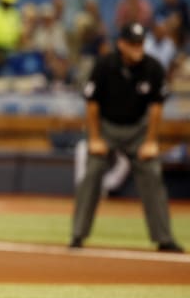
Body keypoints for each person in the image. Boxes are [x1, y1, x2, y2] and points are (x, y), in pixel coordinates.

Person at [70, 23, 184, 253]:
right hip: (106, 127)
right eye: (132, 43)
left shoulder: (152, 68)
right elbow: (92, 105)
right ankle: (77, 235)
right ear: (121, 44)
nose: (137, 48)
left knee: (152, 173)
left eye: (141, 43)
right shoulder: (104, 65)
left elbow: (156, 108)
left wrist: (151, 141)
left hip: (138, 130)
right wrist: (94, 138)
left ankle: (164, 238)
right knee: (92, 172)